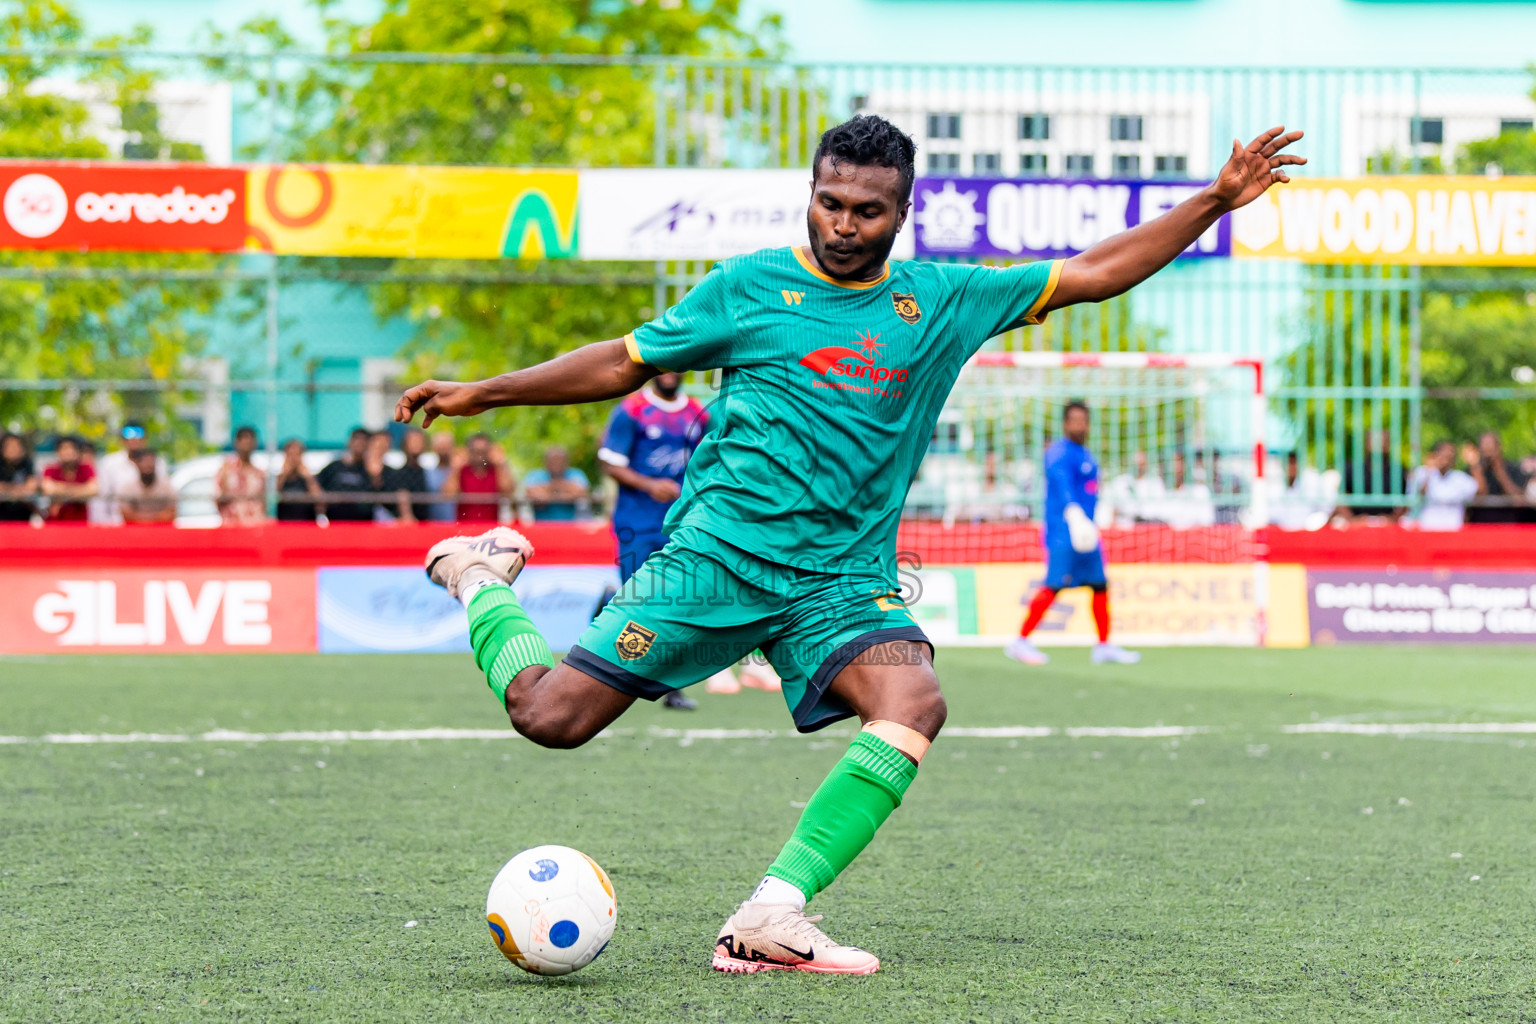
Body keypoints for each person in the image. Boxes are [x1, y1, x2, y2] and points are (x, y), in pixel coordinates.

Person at [394, 115, 1303, 974]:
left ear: (903, 213)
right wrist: (487, 391)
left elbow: (1094, 271)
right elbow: (626, 361)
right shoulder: (749, 286)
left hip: (841, 580)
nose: (842, 224)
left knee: (914, 700)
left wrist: (1215, 198)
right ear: (813, 192)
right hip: (715, 562)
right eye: (829, 202)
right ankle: (481, 576)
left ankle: (770, 914)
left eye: (867, 210)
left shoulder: (941, 300)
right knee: (548, 719)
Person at [597, 373, 772, 709]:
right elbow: (609, 463)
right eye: (664, 368)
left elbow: (707, 463)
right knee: (635, 595)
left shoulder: (697, 413)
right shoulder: (632, 410)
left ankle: (667, 688)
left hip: (680, 521)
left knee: (672, 598)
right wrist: (650, 485)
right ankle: (606, 612)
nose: (670, 374)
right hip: (636, 521)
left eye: (677, 368)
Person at [1005, 403, 1141, 668]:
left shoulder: (1085, 453)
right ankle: (1020, 641)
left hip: (1087, 530)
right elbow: (1062, 484)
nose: (1080, 425)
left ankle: (1103, 645)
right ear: (1066, 424)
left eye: (1084, 420)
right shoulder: (1058, 452)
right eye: (1075, 420)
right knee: (1055, 584)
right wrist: (1073, 513)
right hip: (1064, 531)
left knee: (1100, 583)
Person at [92, 422, 166, 525]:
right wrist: (103, 525)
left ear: (145, 439)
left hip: (152, 525)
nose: (134, 440)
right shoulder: (110, 463)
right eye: (129, 436)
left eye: (138, 435)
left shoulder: (158, 463)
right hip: (117, 524)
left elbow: (164, 494)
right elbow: (102, 497)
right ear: (122, 440)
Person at [1331, 430, 1406, 524]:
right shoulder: (1352, 468)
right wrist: (1352, 520)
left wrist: (1392, 519)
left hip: (1386, 525)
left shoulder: (1397, 470)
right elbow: (1341, 498)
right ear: (1367, 443)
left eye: (1382, 442)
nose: (1378, 446)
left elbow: (1406, 500)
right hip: (1356, 523)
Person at [1406, 440, 1481, 531]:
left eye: (1450, 456)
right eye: (1443, 454)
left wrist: (1474, 464)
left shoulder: (1460, 478)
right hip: (1428, 529)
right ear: (1435, 455)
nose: (1446, 459)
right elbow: (1419, 495)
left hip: (1453, 530)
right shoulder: (1422, 473)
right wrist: (1429, 471)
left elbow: (1480, 491)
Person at [442, 433, 514, 524]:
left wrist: (501, 463)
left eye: (483, 451)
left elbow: (507, 492)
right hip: (464, 528)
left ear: (489, 451)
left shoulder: (496, 471)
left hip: (491, 528)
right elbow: (448, 495)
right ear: (469, 452)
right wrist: (455, 467)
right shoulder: (461, 471)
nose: (479, 455)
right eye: (475, 451)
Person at [317, 428, 382, 522]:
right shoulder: (335, 467)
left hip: (362, 521)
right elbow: (317, 485)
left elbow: (378, 491)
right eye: (357, 440)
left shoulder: (370, 469)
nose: (360, 444)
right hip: (335, 519)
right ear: (350, 442)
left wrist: (374, 474)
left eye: (364, 441)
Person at [1465, 431, 1529, 525]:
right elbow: (1475, 497)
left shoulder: (1513, 469)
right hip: (1479, 525)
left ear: (1498, 447)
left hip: (1506, 525)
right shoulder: (1472, 471)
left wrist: (1500, 472)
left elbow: (1518, 499)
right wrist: (1478, 473)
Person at [215, 426, 267, 526]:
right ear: (236, 443)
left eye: (249, 440)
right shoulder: (225, 470)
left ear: (255, 444)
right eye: (243, 440)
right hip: (231, 526)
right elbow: (218, 500)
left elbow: (265, 504)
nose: (246, 444)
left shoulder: (260, 474)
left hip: (254, 527)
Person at [523, 444, 591, 521]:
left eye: (559, 460)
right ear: (545, 462)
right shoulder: (535, 474)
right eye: (553, 460)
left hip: (571, 526)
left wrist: (548, 490)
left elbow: (581, 492)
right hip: (541, 526)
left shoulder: (576, 473)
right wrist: (565, 490)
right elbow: (532, 493)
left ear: (566, 462)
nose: (556, 463)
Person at [1269, 452, 1333, 531]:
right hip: (1282, 533)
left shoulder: (1311, 483)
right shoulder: (1275, 485)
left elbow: (1326, 507)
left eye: (1293, 463)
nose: (1291, 467)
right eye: (1289, 463)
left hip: (1306, 532)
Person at [41, 436, 97, 523]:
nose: (67, 452)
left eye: (70, 449)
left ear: (78, 452)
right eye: (63, 449)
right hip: (55, 522)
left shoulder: (86, 468)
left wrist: (60, 490)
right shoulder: (50, 469)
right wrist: (81, 490)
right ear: (57, 452)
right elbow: (48, 489)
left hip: (80, 521)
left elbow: (93, 490)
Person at [118, 448, 178, 525]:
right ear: (137, 464)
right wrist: (157, 517)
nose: (148, 465)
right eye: (144, 462)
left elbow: (171, 514)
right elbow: (127, 515)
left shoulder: (167, 487)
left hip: (162, 531)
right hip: (135, 532)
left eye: (150, 462)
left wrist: (141, 517)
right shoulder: (128, 488)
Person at [391, 428, 432, 524]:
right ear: (405, 445)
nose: (416, 444)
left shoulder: (427, 472)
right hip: (412, 524)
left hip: (426, 523)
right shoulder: (400, 474)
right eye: (413, 441)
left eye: (419, 441)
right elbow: (402, 496)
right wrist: (408, 516)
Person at [275, 439, 323, 522]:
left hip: (306, 523)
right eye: (290, 454)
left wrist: (308, 477)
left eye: (297, 454)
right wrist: (283, 475)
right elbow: (271, 499)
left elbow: (320, 501)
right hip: (284, 523)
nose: (293, 459)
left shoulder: (309, 479)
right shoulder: (279, 479)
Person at [0, 432, 38, 523]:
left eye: (17, 446)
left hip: (23, 515)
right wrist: (19, 489)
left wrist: (6, 489)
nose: (13, 449)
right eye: (10, 446)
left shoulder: (27, 463)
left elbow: (31, 487)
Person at [423, 431, 459, 522]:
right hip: (434, 522)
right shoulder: (427, 473)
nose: (444, 449)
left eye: (446, 446)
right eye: (441, 446)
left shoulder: (459, 471)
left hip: (456, 522)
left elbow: (450, 492)